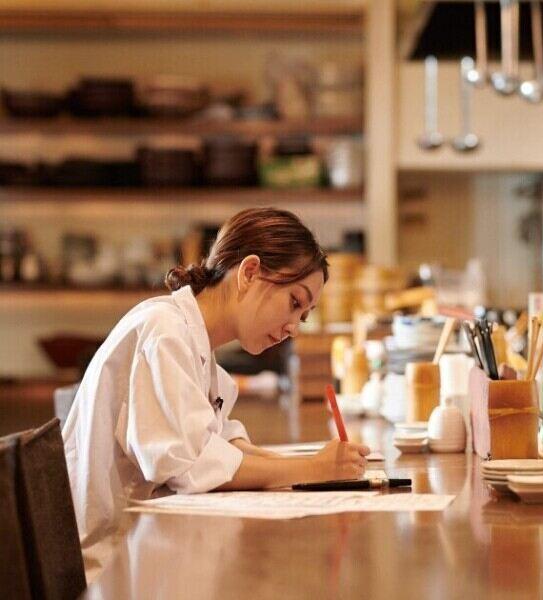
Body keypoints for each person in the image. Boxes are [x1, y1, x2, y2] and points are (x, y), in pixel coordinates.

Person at [62, 207, 369, 580]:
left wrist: (319, 467)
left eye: (303, 315)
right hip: (111, 566)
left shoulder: (195, 343)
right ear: (250, 272)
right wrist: (313, 468)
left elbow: (219, 445)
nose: (293, 328)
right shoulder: (166, 331)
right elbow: (189, 466)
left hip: (148, 549)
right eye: (294, 303)